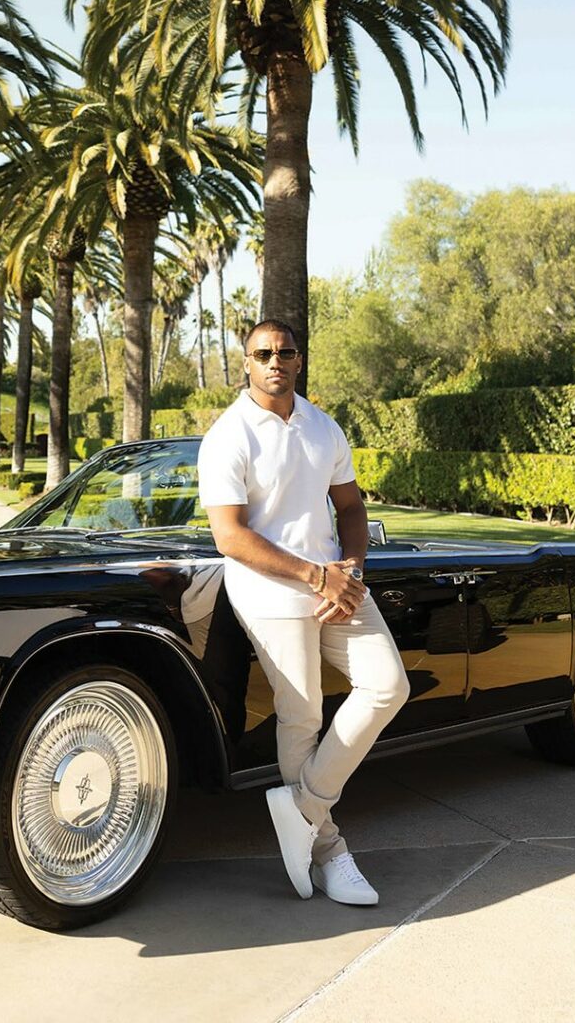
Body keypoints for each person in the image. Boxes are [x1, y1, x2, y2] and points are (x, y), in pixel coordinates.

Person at [198, 319, 410, 905]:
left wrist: (352, 570)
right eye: (262, 353)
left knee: (388, 686)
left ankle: (302, 809)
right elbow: (229, 537)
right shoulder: (229, 435)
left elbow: (351, 506)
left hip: (337, 583)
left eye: (284, 351)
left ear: (298, 359)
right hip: (269, 590)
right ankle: (329, 853)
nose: (274, 361)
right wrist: (317, 575)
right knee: (303, 717)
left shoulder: (323, 427)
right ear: (246, 362)